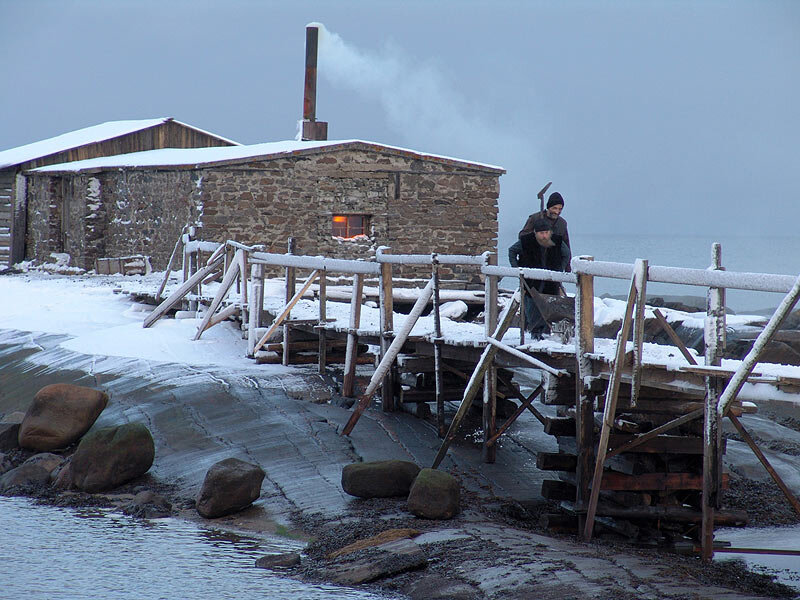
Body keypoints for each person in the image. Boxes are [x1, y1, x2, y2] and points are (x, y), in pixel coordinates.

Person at [508, 218, 570, 337]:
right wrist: (517, 269)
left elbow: (566, 254)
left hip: (550, 282)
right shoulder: (526, 241)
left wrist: (559, 270)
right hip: (530, 281)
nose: (544, 236)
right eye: (541, 233)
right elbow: (512, 251)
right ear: (535, 233)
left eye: (547, 233)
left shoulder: (556, 240)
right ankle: (535, 333)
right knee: (532, 307)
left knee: (549, 305)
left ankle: (546, 332)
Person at [519, 191, 571, 257]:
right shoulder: (535, 218)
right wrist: (537, 237)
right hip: (534, 258)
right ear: (548, 207)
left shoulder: (562, 223)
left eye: (560, 209)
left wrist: (567, 266)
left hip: (553, 261)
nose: (557, 212)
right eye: (554, 208)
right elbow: (522, 236)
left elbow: (566, 246)